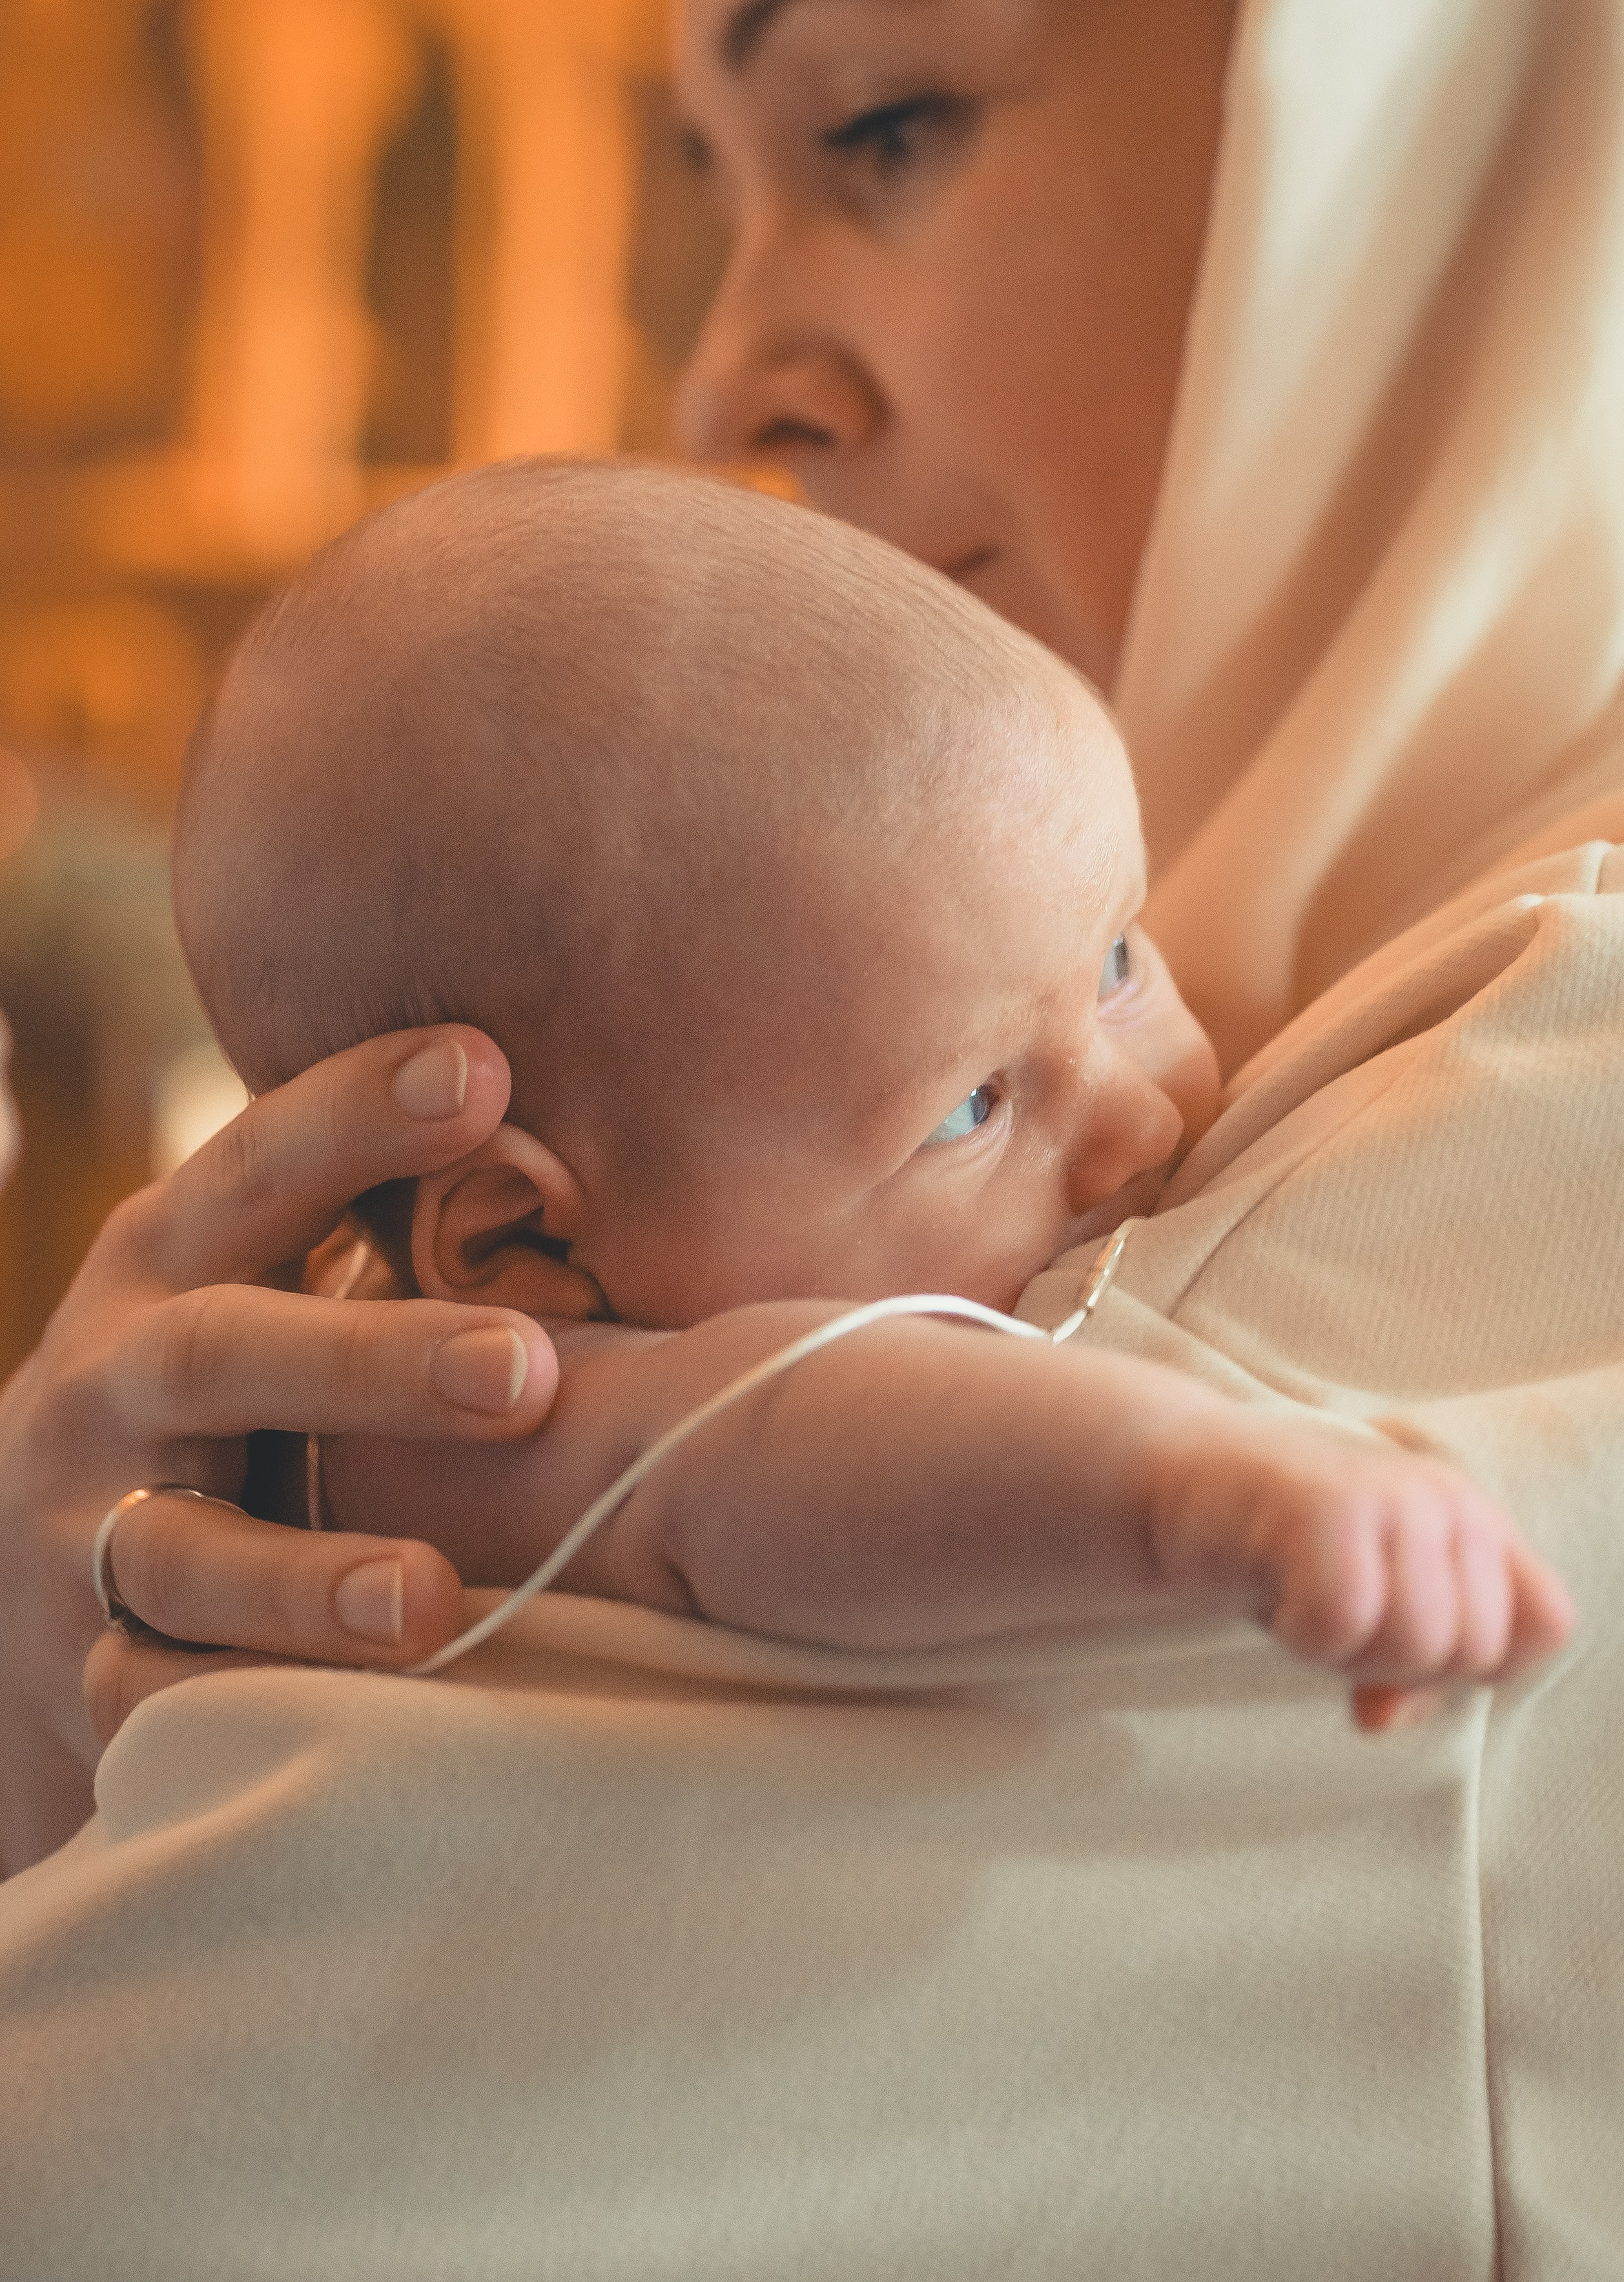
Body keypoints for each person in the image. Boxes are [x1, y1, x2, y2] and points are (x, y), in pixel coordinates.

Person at [0, 0, 1621, 2282]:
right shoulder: (1329, 956)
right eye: (714, 187)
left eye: (879, 122)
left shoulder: (1419, 1209)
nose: (726, 367)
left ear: (1411, 89)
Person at [165, 456, 1567, 1713]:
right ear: (518, 1244)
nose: (1138, 1119)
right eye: (971, 1107)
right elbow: (806, 1441)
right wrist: (1204, 1492)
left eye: (1118, 962)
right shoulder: (474, 1422)